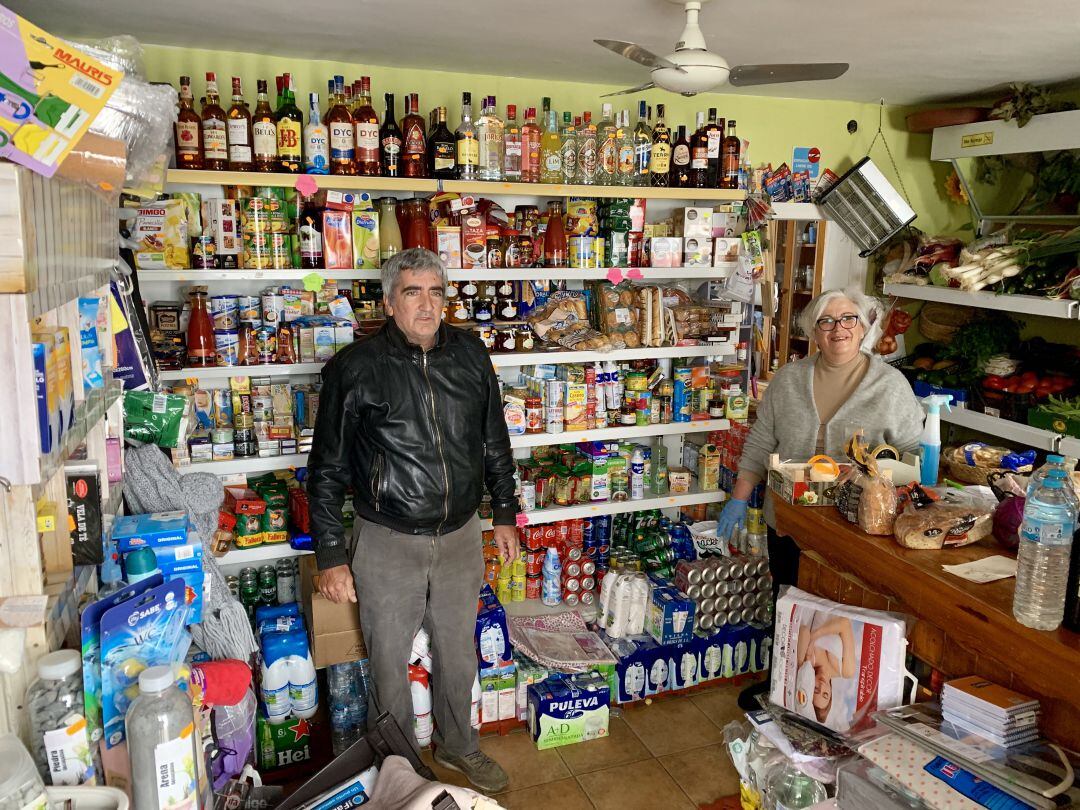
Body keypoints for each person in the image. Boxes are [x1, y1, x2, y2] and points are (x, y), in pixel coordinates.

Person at [307, 248, 519, 793]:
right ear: (388, 301)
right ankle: (401, 768)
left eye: (436, 292)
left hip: (460, 535)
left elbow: (495, 441)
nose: (427, 305)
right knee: (387, 661)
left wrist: (503, 513)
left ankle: (458, 746)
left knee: (457, 649)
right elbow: (326, 468)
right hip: (386, 539)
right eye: (412, 292)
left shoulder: (471, 356)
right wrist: (331, 555)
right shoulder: (355, 369)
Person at [716, 287, 922, 706]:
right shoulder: (790, 379)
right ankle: (784, 685)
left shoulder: (890, 385)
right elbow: (759, 442)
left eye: (848, 319)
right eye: (826, 322)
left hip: (856, 528)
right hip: (789, 519)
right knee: (789, 601)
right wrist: (738, 498)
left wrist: (873, 473)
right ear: (814, 331)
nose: (838, 329)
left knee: (841, 606)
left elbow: (915, 458)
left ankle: (837, 702)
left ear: (864, 326)